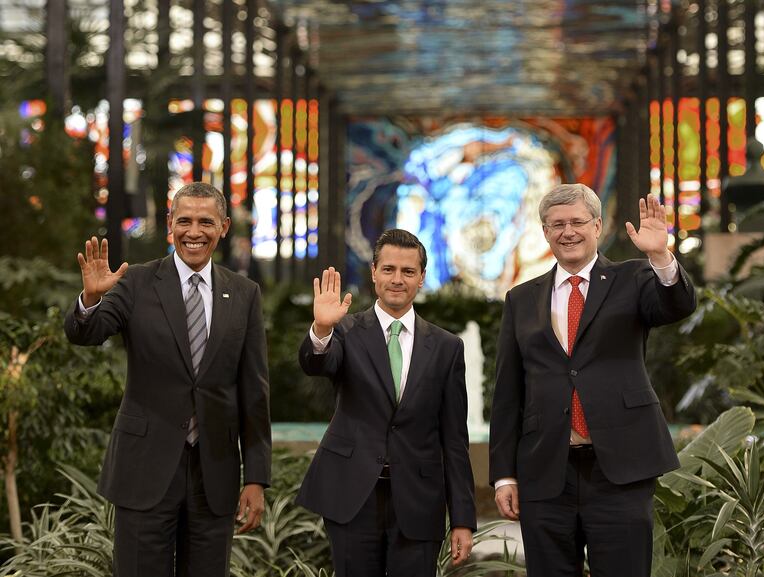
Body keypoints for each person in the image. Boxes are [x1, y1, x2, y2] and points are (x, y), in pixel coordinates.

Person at [64, 182, 271, 576]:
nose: (195, 232)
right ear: (169, 225)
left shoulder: (244, 294)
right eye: (185, 221)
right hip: (145, 470)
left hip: (216, 474)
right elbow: (85, 334)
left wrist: (257, 477)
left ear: (224, 226)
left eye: (206, 222)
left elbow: (254, 391)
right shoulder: (136, 282)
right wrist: (90, 301)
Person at [489, 184, 696, 576]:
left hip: (620, 467)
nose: (568, 231)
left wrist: (660, 256)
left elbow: (678, 305)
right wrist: (504, 475)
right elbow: (507, 393)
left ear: (597, 225)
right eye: (557, 224)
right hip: (547, 472)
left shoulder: (634, 278)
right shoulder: (520, 299)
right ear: (545, 232)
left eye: (577, 222)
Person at [296, 229, 477, 577]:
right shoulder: (344, 331)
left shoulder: (446, 347)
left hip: (418, 499)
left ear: (422, 278)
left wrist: (463, 519)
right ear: (374, 272)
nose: (398, 279)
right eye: (389, 269)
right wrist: (321, 329)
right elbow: (317, 364)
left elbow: (455, 440)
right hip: (352, 494)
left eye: (408, 272)